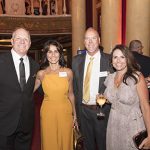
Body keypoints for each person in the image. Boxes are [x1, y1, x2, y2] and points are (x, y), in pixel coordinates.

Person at [72, 27, 113, 150]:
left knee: (103, 144)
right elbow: (74, 87)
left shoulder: (110, 60)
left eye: (93, 38)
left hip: (102, 111)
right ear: (84, 42)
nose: (90, 42)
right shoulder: (76, 60)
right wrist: (75, 113)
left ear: (99, 40)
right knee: (87, 145)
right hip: (83, 111)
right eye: (87, 39)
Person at [104, 44, 150, 150]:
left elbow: (145, 106)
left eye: (122, 57)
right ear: (111, 61)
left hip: (132, 125)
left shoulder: (137, 77)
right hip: (113, 124)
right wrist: (103, 98)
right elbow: (114, 99)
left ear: (127, 59)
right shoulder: (110, 78)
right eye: (115, 57)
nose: (118, 60)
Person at [0, 27, 39, 150]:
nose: (22, 41)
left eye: (25, 39)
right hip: (4, 123)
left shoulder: (35, 66)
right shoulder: (1, 61)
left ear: (30, 43)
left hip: (26, 125)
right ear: (12, 41)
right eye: (18, 38)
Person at [34, 40, 77, 150]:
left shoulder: (68, 72)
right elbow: (27, 92)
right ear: (46, 54)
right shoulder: (41, 74)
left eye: (56, 51)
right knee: (50, 141)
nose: (53, 55)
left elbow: (71, 94)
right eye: (49, 52)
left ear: (60, 54)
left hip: (65, 111)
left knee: (65, 140)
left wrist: (75, 115)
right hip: (48, 112)